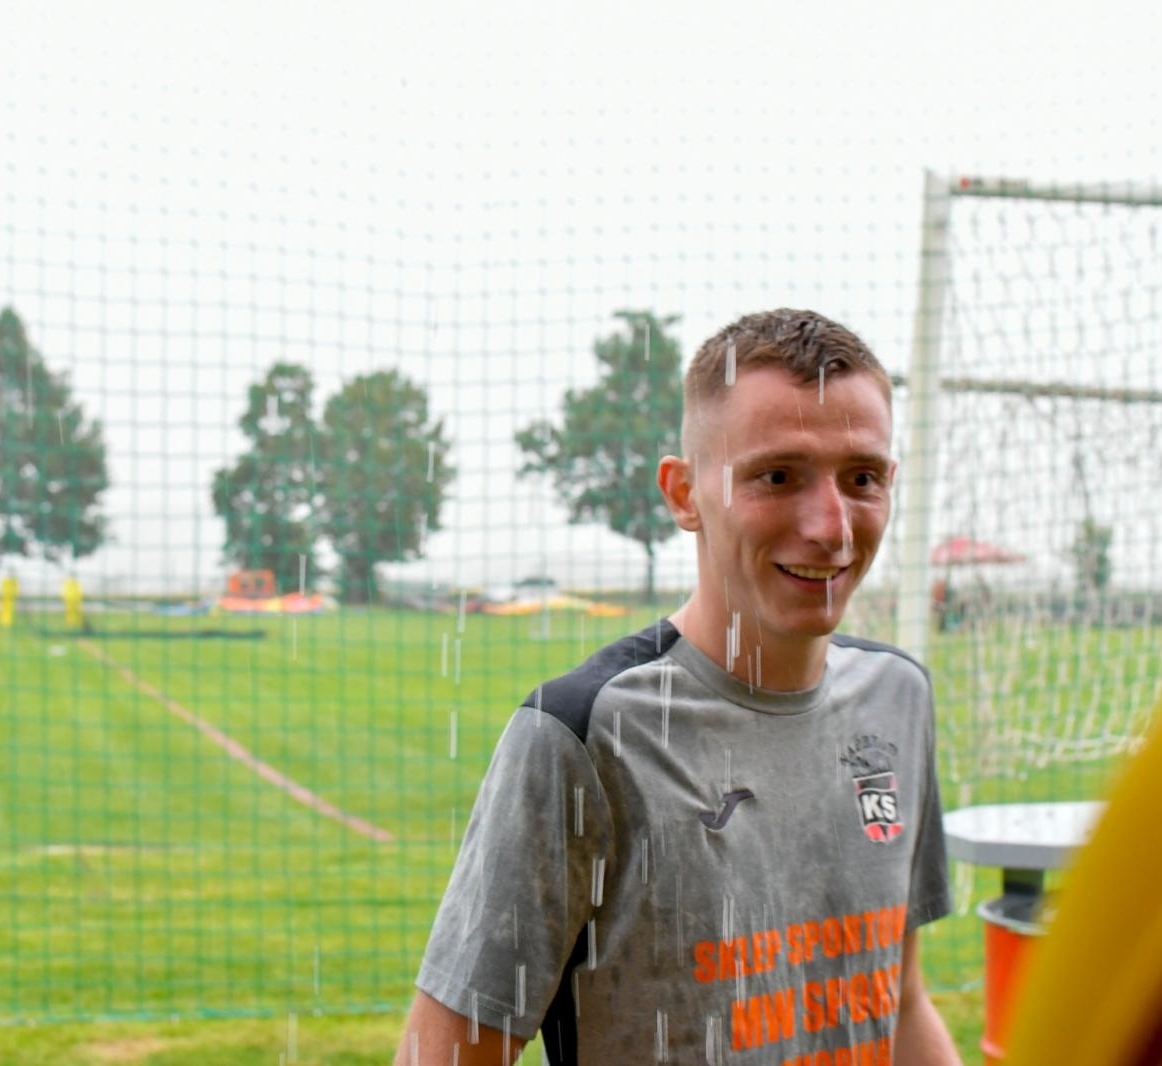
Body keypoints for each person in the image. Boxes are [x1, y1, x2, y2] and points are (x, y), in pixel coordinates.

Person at [397, 310, 961, 1065]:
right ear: (685, 493)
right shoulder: (584, 736)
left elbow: (898, 1001)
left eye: (862, 478)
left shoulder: (897, 698)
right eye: (778, 476)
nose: (832, 526)